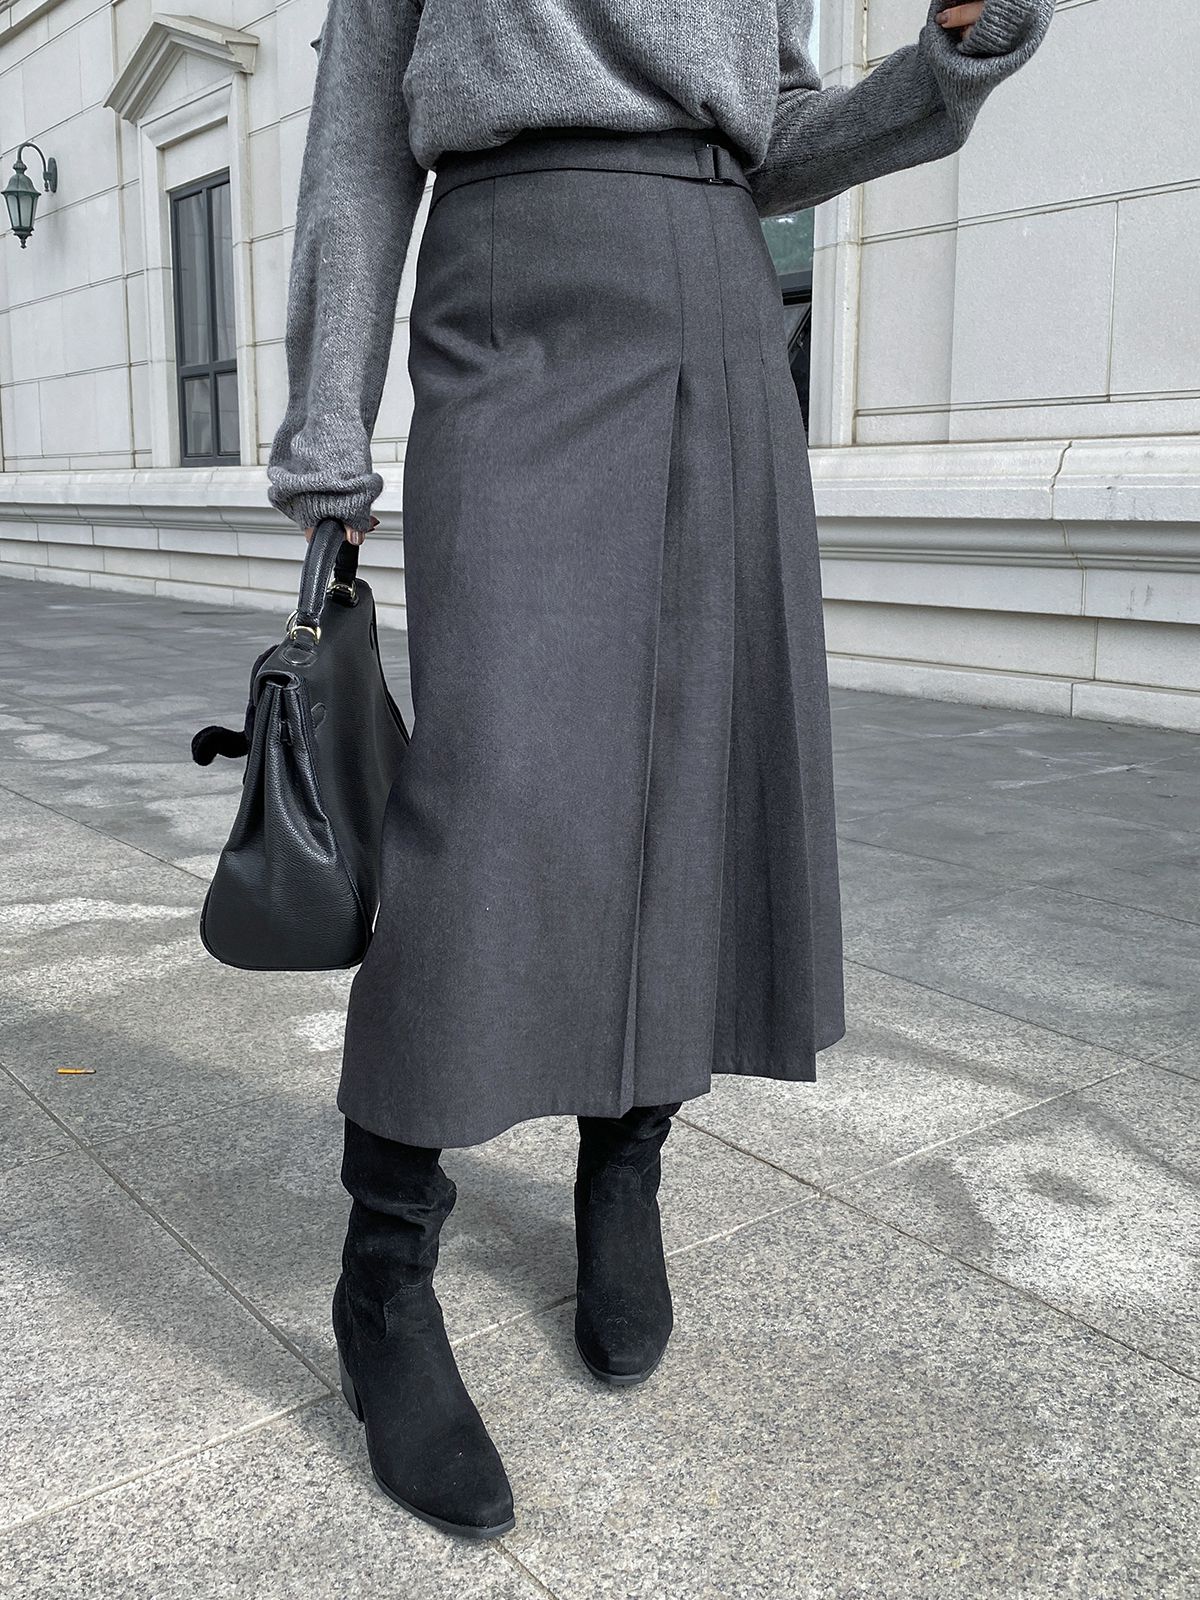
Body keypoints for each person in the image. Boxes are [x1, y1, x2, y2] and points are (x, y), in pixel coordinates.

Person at [266, 0, 1055, 1540]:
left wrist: (953, 58)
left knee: (695, 761)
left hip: (714, 286)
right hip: (512, 291)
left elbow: (779, 132)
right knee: (486, 802)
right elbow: (359, 142)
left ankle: (625, 1168)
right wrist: (326, 435)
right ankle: (383, 1278)